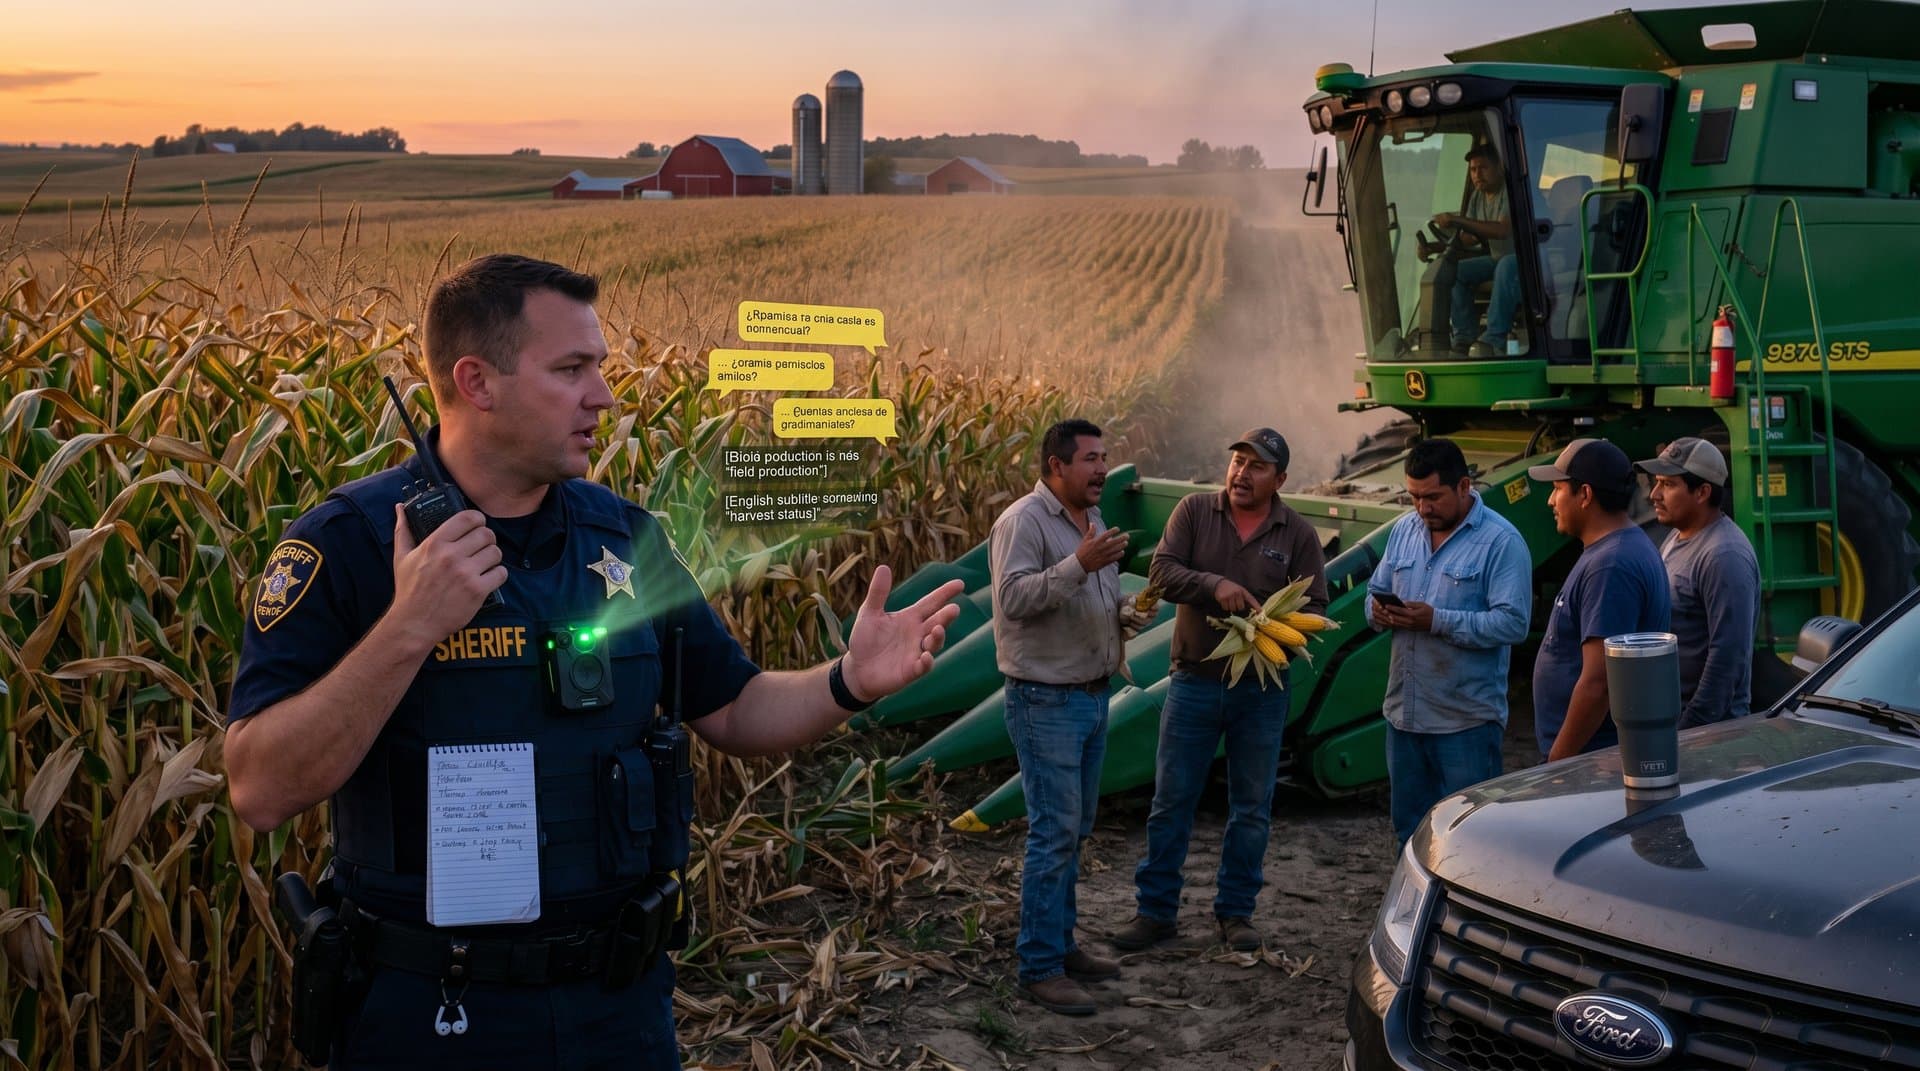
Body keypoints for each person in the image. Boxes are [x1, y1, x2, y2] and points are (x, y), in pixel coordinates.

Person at [224, 253, 964, 1070]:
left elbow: (732, 704)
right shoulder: (348, 545)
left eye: (599, 367)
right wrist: (410, 626)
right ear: (477, 381)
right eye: (571, 369)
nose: (603, 396)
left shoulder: (622, 537)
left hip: (617, 1009)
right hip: (430, 1014)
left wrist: (847, 680)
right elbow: (259, 788)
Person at [1111, 428, 1327, 955]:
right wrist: (1215, 585)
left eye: (1257, 466)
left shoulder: (1297, 535)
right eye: (1237, 462)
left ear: (1279, 479)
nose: (1242, 473)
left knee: (1251, 807)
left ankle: (1235, 912)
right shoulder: (1193, 512)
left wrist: (1273, 626)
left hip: (1261, 691)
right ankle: (1155, 912)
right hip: (1194, 682)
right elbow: (1161, 573)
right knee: (1171, 800)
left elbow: (1316, 608)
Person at [989, 418, 1151, 1017]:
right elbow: (1012, 600)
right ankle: (1039, 967)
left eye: (1104, 457)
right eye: (1090, 459)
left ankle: (1062, 945)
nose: (1102, 468)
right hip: (1045, 701)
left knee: (1075, 830)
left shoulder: (1093, 519)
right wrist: (1079, 565)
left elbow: (1088, 596)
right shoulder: (1024, 522)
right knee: (1053, 833)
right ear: (1056, 465)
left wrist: (1123, 612)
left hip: (1091, 695)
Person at [1367, 439, 1532, 849]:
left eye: (1433, 497)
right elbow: (1374, 593)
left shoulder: (1501, 542)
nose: (1422, 508)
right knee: (1409, 835)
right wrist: (1379, 612)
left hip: (1465, 725)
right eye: (1414, 497)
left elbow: (1513, 624)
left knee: (1471, 841)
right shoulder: (1404, 531)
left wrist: (1436, 621)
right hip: (1404, 718)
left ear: (1463, 486)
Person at [1527, 438, 1671, 761]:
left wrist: (1557, 763)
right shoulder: (1614, 550)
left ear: (1585, 495)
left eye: (1558, 489)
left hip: (1592, 760)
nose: (1550, 500)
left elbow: (1599, 683)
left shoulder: (1612, 565)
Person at [1635, 437, 1760, 727]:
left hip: (1709, 734)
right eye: (1657, 483)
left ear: (1703, 492)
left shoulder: (1723, 555)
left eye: (1668, 484)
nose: (1654, 495)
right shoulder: (1677, 536)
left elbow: (1727, 658)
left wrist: (1691, 729)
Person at [1430, 144, 1521, 358]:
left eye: (1483, 168)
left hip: (1526, 261)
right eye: (1473, 169)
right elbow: (1470, 237)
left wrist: (1457, 219)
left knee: (1506, 264)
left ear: (1499, 168)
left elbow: (1502, 230)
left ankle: (1495, 337)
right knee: (1455, 271)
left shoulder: (1511, 191)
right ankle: (1464, 337)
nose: (1477, 175)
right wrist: (1436, 247)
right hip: (1496, 260)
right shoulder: (1478, 196)